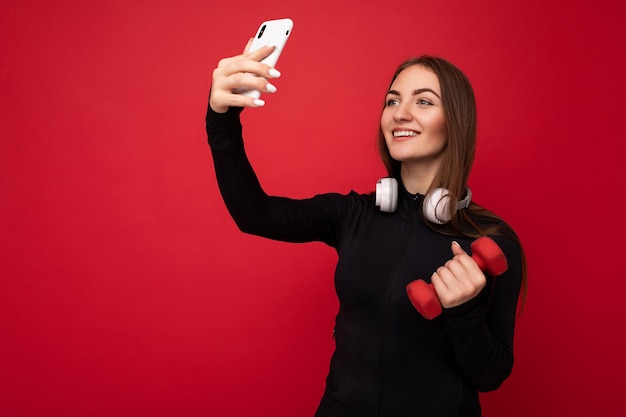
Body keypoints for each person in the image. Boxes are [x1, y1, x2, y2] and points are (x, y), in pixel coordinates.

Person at [206, 41, 527, 417]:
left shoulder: (490, 241)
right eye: (392, 101)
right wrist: (221, 120)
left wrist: (464, 312)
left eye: (423, 102)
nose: (400, 114)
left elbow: (491, 375)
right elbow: (254, 214)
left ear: (456, 120)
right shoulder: (352, 214)